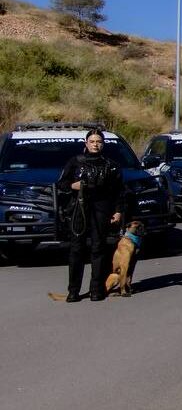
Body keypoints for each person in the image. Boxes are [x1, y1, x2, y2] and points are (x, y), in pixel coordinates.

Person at [56, 129, 125, 302]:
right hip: (79, 209)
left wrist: (118, 210)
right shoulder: (75, 162)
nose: (95, 144)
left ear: (103, 144)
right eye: (92, 141)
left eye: (99, 141)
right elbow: (61, 184)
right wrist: (72, 186)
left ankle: (96, 289)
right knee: (76, 249)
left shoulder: (111, 165)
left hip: (101, 209)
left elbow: (118, 191)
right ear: (86, 143)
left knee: (98, 248)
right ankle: (73, 291)